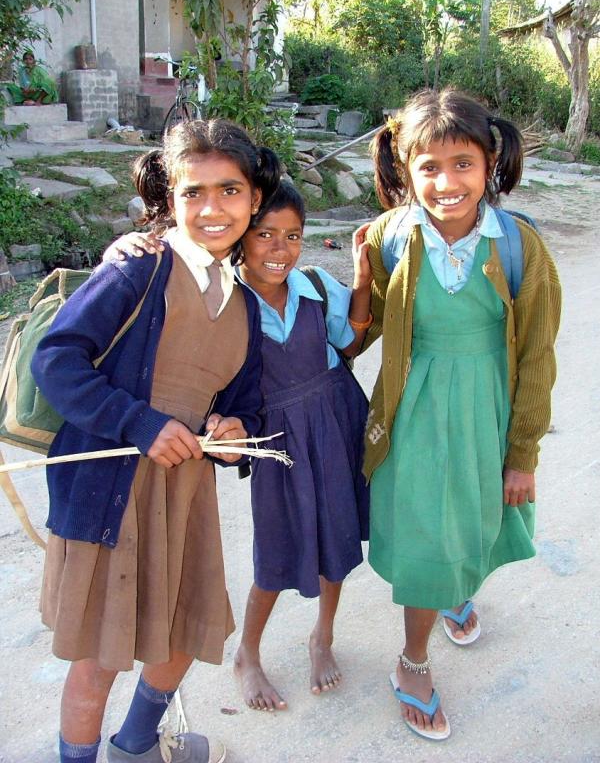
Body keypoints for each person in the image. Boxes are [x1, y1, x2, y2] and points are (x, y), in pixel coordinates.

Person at [31, 118, 281, 763]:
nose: (212, 208)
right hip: (110, 494)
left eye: (230, 191)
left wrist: (234, 432)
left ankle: (137, 746)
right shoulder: (137, 269)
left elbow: (242, 403)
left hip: (183, 497)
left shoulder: (245, 303)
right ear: (171, 198)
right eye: (193, 192)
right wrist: (140, 424)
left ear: (254, 198)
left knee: (185, 634)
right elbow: (57, 359)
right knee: (99, 659)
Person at [105, 181, 373, 712]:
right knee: (276, 549)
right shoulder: (226, 302)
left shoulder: (316, 286)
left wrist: (362, 279)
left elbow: (350, 342)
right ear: (241, 238)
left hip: (336, 423)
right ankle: (247, 653)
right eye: (266, 234)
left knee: (338, 536)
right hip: (277, 443)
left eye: (293, 236)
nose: (280, 249)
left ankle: (323, 636)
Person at [348, 88, 561, 741]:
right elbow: (357, 339)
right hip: (412, 417)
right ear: (405, 169)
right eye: (429, 167)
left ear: (490, 162)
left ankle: (456, 591)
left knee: (471, 517)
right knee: (425, 538)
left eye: (463, 163)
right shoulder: (388, 238)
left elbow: (538, 355)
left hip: (484, 413)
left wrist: (522, 453)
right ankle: (412, 662)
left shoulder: (519, 246)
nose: (447, 183)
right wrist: (359, 278)